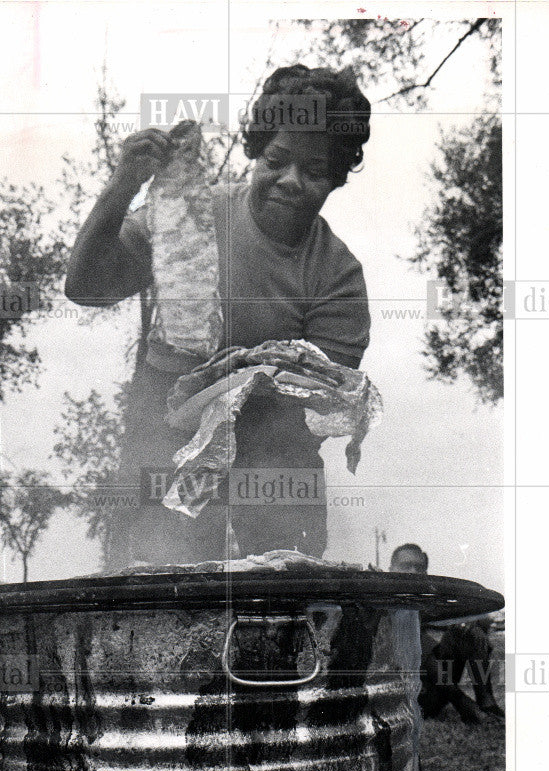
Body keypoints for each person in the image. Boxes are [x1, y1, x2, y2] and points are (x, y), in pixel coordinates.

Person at [65, 65, 372, 568]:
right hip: (167, 440)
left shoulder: (338, 278)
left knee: (280, 596)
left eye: (315, 172)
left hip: (274, 458)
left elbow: (316, 407)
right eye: (278, 159)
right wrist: (122, 186)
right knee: (159, 588)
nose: (291, 181)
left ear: (337, 180)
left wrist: (228, 381)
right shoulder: (190, 214)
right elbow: (86, 287)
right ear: (255, 151)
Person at [389, 543, 504, 723]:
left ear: (425, 574)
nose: (412, 571)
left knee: (469, 632)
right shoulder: (381, 602)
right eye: (405, 566)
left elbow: (484, 618)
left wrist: (471, 619)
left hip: (434, 694)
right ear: (390, 570)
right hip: (399, 700)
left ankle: (486, 702)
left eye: (418, 568)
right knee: (410, 637)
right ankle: (464, 705)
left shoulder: (426, 600)